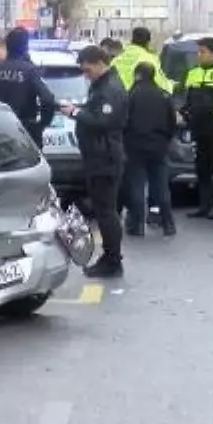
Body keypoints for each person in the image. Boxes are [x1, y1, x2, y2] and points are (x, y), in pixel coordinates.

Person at [60, 45, 127, 278]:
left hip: (105, 157)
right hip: (99, 155)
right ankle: (111, 257)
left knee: (106, 212)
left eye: (88, 70)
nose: (85, 75)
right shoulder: (102, 86)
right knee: (103, 210)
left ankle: (112, 260)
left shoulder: (110, 89)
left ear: (100, 63)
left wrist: (75, 113)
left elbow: (103, 121)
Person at [0, 27, 56, 147]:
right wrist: (41, 125)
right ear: (26, 46)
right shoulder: (30, 71)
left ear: (7, 46)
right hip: (24, 132)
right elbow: (48, 99)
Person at [124, 62, 178, 236]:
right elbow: (172, 122)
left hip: (135, 146)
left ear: (138, 75)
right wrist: (165, 140)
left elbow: (124, 121)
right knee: (161, 185)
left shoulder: (131, 95)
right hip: (159, 146)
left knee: (137, 185)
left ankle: (137, 225)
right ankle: (168, 224)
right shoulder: (164, 95)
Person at [183, 37, 213, 220]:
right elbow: (187, 100)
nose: (199, 56)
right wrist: (185, 113)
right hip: (198, 127)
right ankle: (204, 205)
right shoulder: (192, 73)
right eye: (198, 52)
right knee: (202, 168)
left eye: (202, 52)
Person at [112, 27, 171, 93]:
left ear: (132, 40)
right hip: (139, 99)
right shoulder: (149, 60)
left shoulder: (116, 60)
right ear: (148, 42)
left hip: (119, 99)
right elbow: (161, 84)